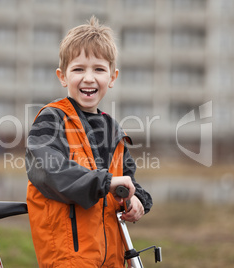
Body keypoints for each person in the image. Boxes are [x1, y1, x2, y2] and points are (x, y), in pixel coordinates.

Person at [26, 16, 153, 268]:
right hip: (69, 256)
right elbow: (50, 171)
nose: (88, 78)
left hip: (112, 256)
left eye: (98, 69)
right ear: (62, 76)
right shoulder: (52, 119)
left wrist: (137, 199)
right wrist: (106, 182)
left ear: (112, 77)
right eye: (78, 69)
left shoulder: (112, 128)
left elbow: (127, 178)